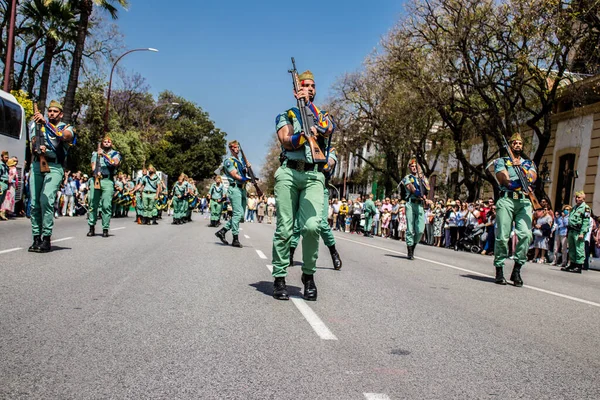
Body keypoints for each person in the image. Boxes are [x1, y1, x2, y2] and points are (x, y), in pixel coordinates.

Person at [270, 69, 334, 301]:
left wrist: (314, 123)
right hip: (289, 172)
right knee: (286, 228)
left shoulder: (322, 114)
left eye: (312, 86)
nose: (309, 88)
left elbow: (329, 129)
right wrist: (303, 136)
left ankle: (308, 275)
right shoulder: (285, 114)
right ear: (296, 90)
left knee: (311, 226)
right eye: (304, 85)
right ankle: (279, 277)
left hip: (314, 175)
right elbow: (285, 140)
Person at [28, 100, 75, 252]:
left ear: (60, 114)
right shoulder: (36, 125)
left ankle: (46, 238)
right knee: (34, 203)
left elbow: (64, 136)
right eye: (50, 111)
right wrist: (36, 148)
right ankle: (36, 237)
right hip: (37, 164)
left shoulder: (67, 127)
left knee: (46, 199)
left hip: (54, 166)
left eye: (55, 111)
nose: (51, 114)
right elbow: (32, 144)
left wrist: (46, 124)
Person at [492, 133, 537, 286]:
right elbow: (505, 181)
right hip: (507, 200)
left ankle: (517, 269)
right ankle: (499, 268)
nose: (517, 145)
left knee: (525, 235)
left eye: (520, 143)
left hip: (524, 202)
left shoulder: (528, 163)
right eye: (514, 143)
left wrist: (522, 171)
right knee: (503, 237)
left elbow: (532, 178)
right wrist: (519, 180)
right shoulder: (501, 161)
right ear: (510, 145)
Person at [289, 147, 342, 271]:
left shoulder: (329, 148)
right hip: (302, 185)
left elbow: (330, 161)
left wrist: (326, 163)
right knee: (297, 223)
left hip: (319, 186)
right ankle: (290, 253)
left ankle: (333, 252)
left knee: (322, 224)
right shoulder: (303, 145)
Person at [215, 140, 249, 248]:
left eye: (238, 147)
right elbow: (235, 175)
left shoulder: (240, 161)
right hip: (235, 188)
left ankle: (223, 231)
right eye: (235, 147)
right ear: (231, 148)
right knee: (237, 214)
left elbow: (244, 172)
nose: (237, 149)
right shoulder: (229, 161)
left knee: (240, 216)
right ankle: (235, 239)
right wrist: (246, 179)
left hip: (243, 189)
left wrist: (248, 168)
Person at [87, 136, 121, 237]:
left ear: (111, 144)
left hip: (108, 180)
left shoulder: (115, 154)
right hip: (96, 179)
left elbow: (115, 163)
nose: (106, 143)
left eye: (108, 142)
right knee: (93, 204)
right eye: (104, 142)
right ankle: (91, 227)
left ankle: (105, 228)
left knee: (106, 205)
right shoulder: (95, 154)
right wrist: (96, 169)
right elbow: (93, 166)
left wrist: (104, 155)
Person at [402, 158, 430, 260]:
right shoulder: (407, 178)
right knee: (410, 228)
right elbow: (412, 189)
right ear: (409, 168)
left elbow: (427, 189)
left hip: (420, 205)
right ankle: (410, 251)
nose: (414, 168)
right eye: (412, 166)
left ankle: (413, 246)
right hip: (411, 203)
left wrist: (422, 180)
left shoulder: (422, 178)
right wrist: (421, 195)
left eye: (415, 166)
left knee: (420, 230)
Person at [562, 191, 591, 274]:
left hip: (578, 231)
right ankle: (572, 264)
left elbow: (586, 222)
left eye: (578, 197)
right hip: (571, 230)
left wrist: (582, 233)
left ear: (583, 198)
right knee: (571, 248)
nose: (576, 199)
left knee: (579, 248)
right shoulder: (574, 207)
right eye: (576, 197)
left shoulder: (586, 208)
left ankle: (578, 266)